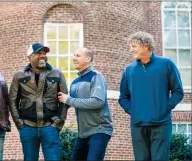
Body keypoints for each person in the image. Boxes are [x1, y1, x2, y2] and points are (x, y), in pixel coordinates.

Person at [119, 31, 184, 160]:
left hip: (161, 124)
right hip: (137, 125)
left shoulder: (166, 64)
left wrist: (164, 109)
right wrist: (133, 111)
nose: (131, 50)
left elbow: (178, 92)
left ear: (145, 45)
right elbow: (123, 97)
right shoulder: (129, 69)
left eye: (134, 46)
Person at [9, 42, 69, 161]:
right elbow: (12, 101)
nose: (43, 56)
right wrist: (20, 123)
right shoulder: (19, 75)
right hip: (28, 128)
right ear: (30, 56)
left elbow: (65, 101)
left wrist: (57, 123)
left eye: (44, 53)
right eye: (38, 53)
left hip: (50, 127)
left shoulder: (57, 74)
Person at [58, 47, 113, 161]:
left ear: (88, 59)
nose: (74, 58)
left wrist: (68, 100)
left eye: (78, 56)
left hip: (99, 130)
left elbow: (98, 102)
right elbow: (67, 103)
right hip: (83, 133)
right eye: (73, 55)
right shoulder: (74, 82)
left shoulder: (96, 77)